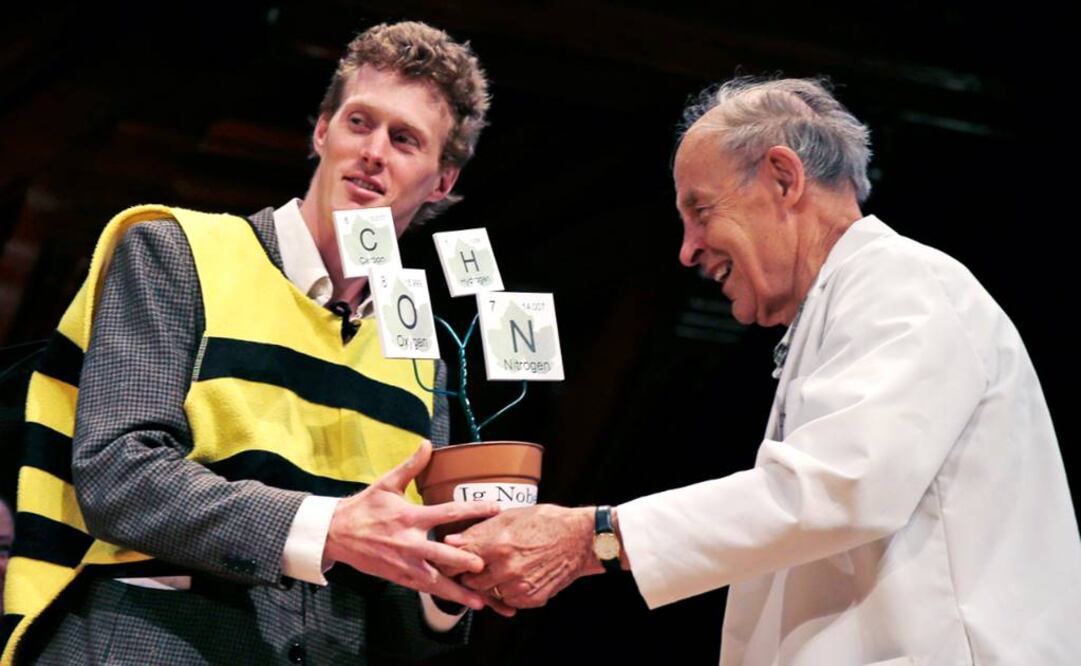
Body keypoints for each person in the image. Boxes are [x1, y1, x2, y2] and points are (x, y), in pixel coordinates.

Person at [443, 77, 1081, 665]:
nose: (688, 248)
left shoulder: (907, 285)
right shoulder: (844, 306)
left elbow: (841, 487)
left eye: (700, 210)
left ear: (783, 178)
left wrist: (596, 537)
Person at [2, 21, 505, 665]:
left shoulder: (419, 343)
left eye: (405, 139)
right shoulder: (176, 250)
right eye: (359, 122)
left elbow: (396, 600)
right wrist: (331, 528)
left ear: (441, 181)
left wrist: (451, 575)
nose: (374, 151)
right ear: (321, 131)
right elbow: (118, 476)